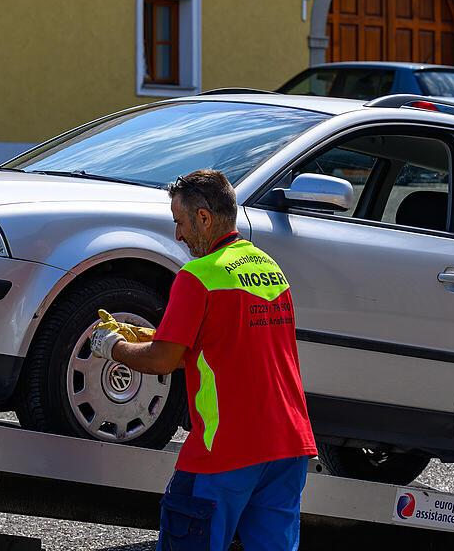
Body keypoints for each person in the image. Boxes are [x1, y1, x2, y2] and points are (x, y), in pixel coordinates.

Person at [89, 169, 317, 551]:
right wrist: (150, 338)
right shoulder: (268, 269)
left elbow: (163, 361)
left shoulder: (198, 277)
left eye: (179, 222)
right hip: (287, 445)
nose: (178, 234)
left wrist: (110, 346)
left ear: (204, 217)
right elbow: (228, 347)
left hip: (226, 448)